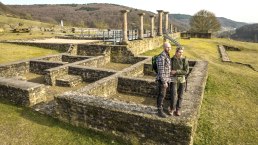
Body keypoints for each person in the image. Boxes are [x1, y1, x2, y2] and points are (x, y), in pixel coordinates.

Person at [168, 46, 189, 116]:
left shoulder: (184, 60)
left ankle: (178, 109)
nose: (181, 54)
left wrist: (176, 71)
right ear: (176, 52)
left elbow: (186, 71)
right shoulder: (171, 59)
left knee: (180, 95)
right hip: (173, 79)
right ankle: (172, 109)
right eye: (180, 52)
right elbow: (168, 69)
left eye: (182, 52)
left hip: (182, 80)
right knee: (173, 95)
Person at [156, 42, 172, 118]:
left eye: (170, 47)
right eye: (167, 47)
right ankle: (159, 111)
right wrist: (164, 82)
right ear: (164, 47)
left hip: (166, 79)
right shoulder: (161, 57)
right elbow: (161, 71)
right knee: (161, 95)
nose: (169, 48)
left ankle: (162, 108)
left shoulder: (167, 55)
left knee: (163, 95)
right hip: (162, 80)